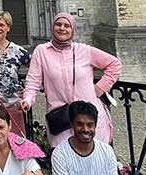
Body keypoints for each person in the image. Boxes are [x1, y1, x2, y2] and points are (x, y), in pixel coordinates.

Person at [20, 12, 122, 148]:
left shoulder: (84, 50)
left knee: (93, 158)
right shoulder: (42, 51)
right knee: (65, 159)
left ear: (73, 29)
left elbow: (114, 64)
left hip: (87, 115)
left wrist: (99, 88)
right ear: (53, 27)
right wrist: (27, 100)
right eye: (58, 24)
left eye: (67, 25)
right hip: (61, 117)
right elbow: (33, 80)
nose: (62, 28)